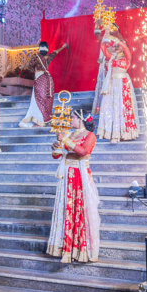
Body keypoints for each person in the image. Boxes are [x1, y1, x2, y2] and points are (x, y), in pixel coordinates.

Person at [47, 113, 100, 263]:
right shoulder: (70, 134)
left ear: (81, 119)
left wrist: (64, 140)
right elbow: (57, 156)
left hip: (80, 176)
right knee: (66, 210)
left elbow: (83, 151)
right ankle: (65, 248)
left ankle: (80, 249)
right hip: (67, 176)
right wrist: (56, 147)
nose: (70, 120)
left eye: (73, 117)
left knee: (80, 210)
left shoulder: (90, 135)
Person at [98, 27, 140, 142]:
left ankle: (125, 133)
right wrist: (106, 35)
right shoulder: (110, 58)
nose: (116, 47)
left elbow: (125, 47)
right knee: (111, 108)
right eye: (114, 46)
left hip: (123, 85)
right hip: (111, 86)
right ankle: (112, 132)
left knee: (123, 107)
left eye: (118, 46)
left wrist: (113, 39)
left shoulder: (127, 58)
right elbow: (102, 47)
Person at [19, 40, 68, 128]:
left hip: (40, 79)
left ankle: (39, 121)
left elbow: (28, 67)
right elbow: (55, 52)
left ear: (39, 48)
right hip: (48, 80)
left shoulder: (36, 57)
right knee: (46, 100)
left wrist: (34, 70)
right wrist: (64, 46)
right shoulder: (48, 57)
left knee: (37, 100)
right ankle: (44, 119)